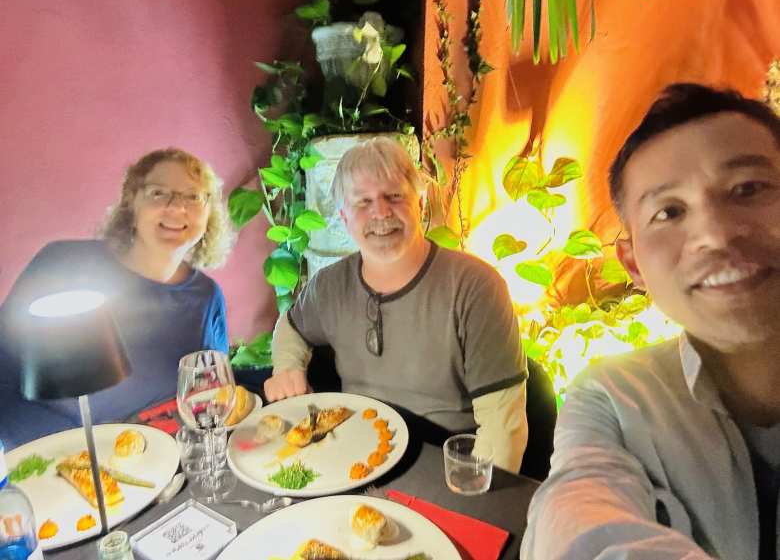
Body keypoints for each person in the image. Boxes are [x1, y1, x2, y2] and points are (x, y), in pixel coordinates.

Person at [520, 84, 780, 560]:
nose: (715, 234)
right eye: (669, 212)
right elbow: (576, 514)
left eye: (749, 189)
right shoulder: (612, 398)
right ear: (633, 264)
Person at [263, 136, 528, 472]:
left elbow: (503, 430)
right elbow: (291, 327)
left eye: (394, 196)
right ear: (344, 219)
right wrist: (287, 367)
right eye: (363, 202)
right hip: (353, 455)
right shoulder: (329, 286)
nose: (381, 213)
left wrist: (478, 504)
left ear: (419, 202)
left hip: (441, 461)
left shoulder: (475, 287)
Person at [0, 147, 234, 449]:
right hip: (41, 450)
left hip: (148, 458)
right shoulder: (62, 263)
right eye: (158, 193)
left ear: (208, 213)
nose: (177, 208)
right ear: (131, 202)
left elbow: (209, 392)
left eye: (193, 196)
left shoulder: (206, 297)